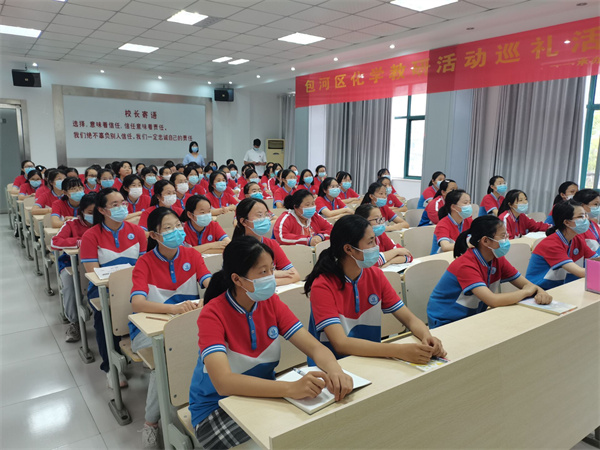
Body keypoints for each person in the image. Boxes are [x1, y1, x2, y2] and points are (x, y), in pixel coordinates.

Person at [188, 236, 353, 449]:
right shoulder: (212, 314)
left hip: (265, 396)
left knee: (319, 426)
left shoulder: (271, 302)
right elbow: (223, 383)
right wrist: (291, 388)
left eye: (271, 269)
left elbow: (314, 347)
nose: (271, 277)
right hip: (217, 409)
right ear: (237, 279)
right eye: (263, 272)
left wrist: (335, 371)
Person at [304, 215, 444, 364]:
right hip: (333, 366)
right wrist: (399, 351)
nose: (376, 246)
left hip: (370, 358)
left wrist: (427, 337)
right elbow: (341, 344)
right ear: (349, 249)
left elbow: (409, 319)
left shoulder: (375, 275)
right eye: (370, 242)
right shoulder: (323, 285)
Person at [130, 207, 211, 446]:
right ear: (154, 235)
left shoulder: (191, 255)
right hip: (150, 330)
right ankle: (151, 423)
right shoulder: (144, 262)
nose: (176, 231)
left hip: (185, 324)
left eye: (178, 225)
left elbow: (207, 280)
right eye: (168, 228)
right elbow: (137, 302)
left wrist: (212, 291)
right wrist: (173, 309)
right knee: (166, 358)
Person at [427, 216, 552, 328]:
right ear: (485, 241)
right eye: (502, 236)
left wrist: (541, 293)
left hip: (472, 317)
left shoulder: (497, 259)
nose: (506, 240)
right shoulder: (466, 265)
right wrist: (527, 292)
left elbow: (527, 284)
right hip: (446, 321)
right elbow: (493, 301)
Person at [80, 188, 147, 386]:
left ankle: (145, 350)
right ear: (102, 210)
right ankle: (110, 367)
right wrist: (119, 287)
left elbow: (144, 266)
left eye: (123, 203)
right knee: (104, 318)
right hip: (103, 291)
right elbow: (94, 273)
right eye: (115, 205)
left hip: (136, 287)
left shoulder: (137, 232)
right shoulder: (91, 236)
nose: (121, 208)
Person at [50, 193, 96, 342]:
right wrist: (80, 241)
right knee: (70, 284)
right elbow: (55, 242)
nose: (94, 216)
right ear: (82, 211)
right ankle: (74, 322)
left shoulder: (104, 224)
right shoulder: (71, 224)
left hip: (97, 264)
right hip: (72, 264)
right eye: (90, 212)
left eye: (97, 212)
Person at [526, 200, 599, 290]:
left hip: (563, 288)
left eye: (585, 215)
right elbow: (580, 272)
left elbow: (596, 259)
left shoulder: (577, 238)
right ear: (567, 222)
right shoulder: (551, 244)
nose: (586, 219)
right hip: (540, 291)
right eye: (581, 216)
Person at [234, 198, 300, 285]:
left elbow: (295, 275)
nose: (265, 219)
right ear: (243, 221)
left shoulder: (272, 244)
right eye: (259, 215)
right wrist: (275, 274)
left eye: (266, 215)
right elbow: (247, 283)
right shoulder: (236, 249)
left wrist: (268, 280)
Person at [431, 189, 473, 254]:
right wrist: (468, 245)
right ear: (453, 207)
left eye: (469, 203)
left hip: (459, 255)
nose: (469, 206)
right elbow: (445, 247)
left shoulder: (469, 221)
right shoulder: (443, 224)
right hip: (441, 258)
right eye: (465, 203)